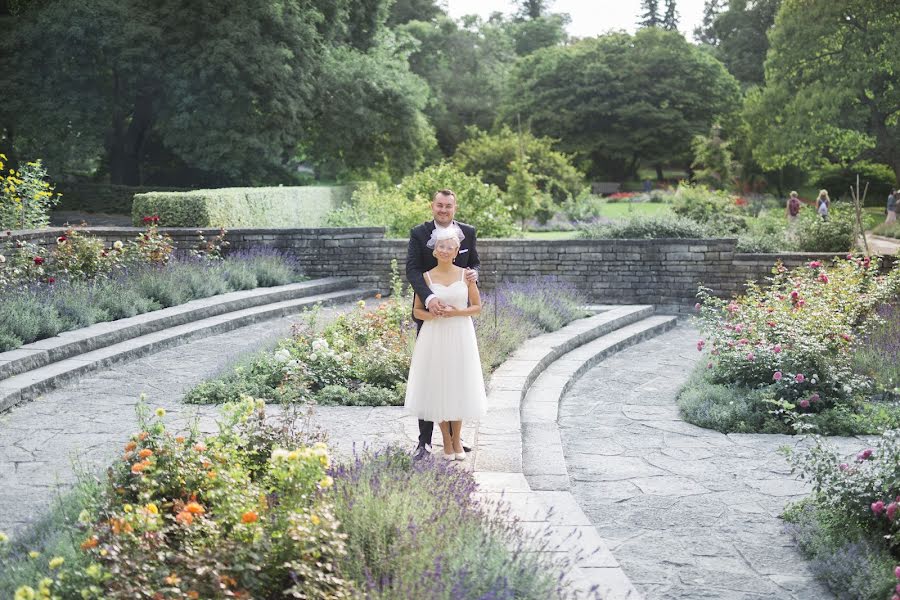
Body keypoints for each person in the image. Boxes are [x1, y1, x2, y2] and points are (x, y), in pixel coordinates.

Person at [406, 189, 480, 459]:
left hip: (458, 319)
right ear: (432, 206)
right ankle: (424, 441)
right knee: (432, 376)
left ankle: (454, 439)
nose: (444, 210)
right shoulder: (419, 233)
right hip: (431, 312)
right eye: (439, 205)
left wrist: (474, 273)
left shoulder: (468, 232)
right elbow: (412, 270)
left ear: (455, 207)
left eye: (448, 206)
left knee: (456, 376)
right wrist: (430, 298)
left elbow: (474, 263)